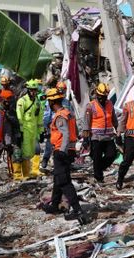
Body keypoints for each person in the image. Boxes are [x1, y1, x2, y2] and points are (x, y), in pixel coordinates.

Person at [41, 88, 90, 225]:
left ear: (52, 102)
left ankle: (78, 210)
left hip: (62, 151)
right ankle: (54, 205)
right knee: (58, 178)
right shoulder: (68, 113)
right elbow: (74, 132)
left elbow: (66, 134)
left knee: (64, 182)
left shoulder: (60, 116)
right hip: (69, 150)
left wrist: (61, 151)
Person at [83, 83, 118, 182]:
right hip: (96, 138)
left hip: (108, 137)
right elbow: (86, 123)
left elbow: (114, 119)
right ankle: (99, 178)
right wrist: (86, 138)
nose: (103, 98)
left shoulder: (110, 104)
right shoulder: (91, 106)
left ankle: (98, 169)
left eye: (105, 96)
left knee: (111, 155)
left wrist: (118, 131)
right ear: (97, 95)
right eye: (101, 96)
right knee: (97, 158)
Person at [16, 79, 43, 179]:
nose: (33, 92)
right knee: (26, 152)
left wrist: (41, 132)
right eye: (31, 90)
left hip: (34, 130)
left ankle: (32, 171)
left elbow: (39, 117)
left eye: (35, 90)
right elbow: (19, 116)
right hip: (26, 130)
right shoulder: (22, 101)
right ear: (28, 90)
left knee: (34, 151)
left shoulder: (37, 102)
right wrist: (21, 131)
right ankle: (26, 174)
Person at [0, 76, 22, 179]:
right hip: (5, 120)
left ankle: (16, 173)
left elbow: (15, 107)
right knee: (7, 146)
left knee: (14, 147)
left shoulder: (13, 92)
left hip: (12, 119)